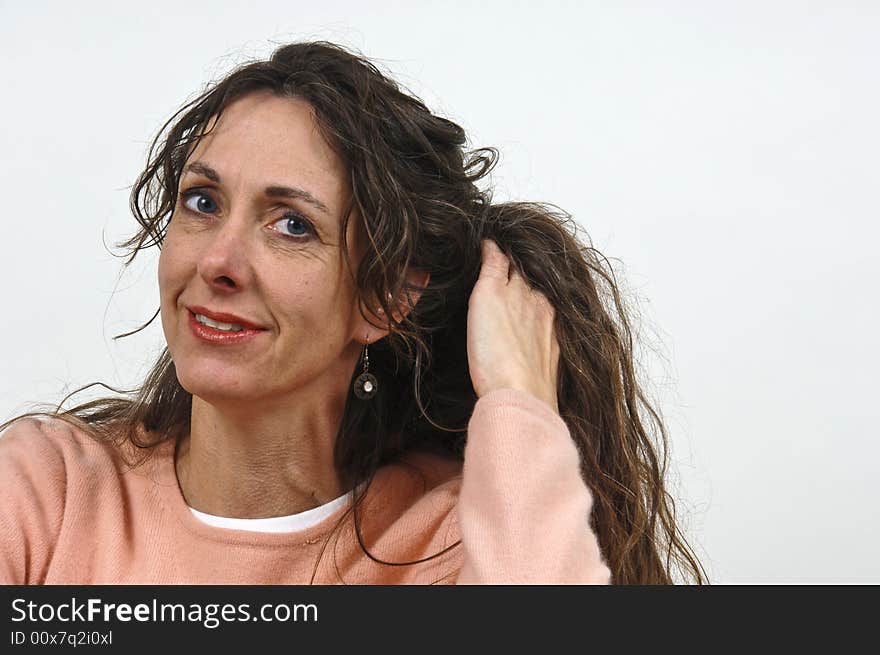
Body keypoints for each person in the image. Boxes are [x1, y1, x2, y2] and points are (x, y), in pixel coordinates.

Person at [0, 41, 706, 585]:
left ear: (385, 298)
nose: (217, 259)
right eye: (203, 201)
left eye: (291, 226)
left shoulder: (455, 541)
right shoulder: (45, 493)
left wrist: (520, 404)